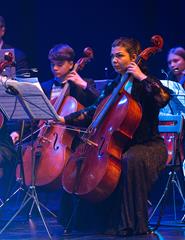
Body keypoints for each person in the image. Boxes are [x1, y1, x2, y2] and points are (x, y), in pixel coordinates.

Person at [58, 37, 171, 236]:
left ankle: (129, 223)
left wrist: (141, 76)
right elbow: (94, 111)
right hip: (118, 143)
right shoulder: (113, 85)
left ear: (134, 58)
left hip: (147, 145)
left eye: (119, 56)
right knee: (81, 159)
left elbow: (163, 98)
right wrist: (64, 119)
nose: (114, 60)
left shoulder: (146, 82)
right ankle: (87, 222)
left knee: (130, 159)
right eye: (112, 56)